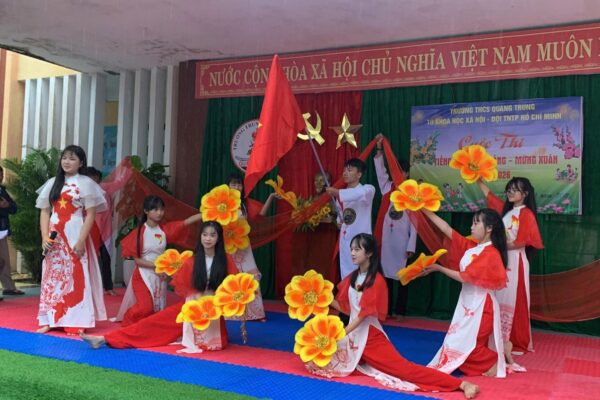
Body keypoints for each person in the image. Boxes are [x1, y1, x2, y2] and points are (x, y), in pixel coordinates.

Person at [307, 233, 479, 399]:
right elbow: (349, 310)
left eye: (357, 249)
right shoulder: (353, 278)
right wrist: (321, 298)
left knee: (405, 370)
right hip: (353, 335)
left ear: (369, 253)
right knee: (316, 360)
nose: (352, 253)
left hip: (369, 337)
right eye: (351, 249)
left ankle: (461, 384)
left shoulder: (376, 280)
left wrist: (341, 333)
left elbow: (363, 315)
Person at [81, 221, 238, 351]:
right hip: (191, 307)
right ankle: (104, 339)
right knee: (153, 323)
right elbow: (185, 287)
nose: (208, 238)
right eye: (205, 234)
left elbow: (232, 289)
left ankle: (105, 339)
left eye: (212, 235)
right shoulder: (192, 261)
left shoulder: (226, 261)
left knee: (210, 343)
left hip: (212, 311)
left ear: (218, 238)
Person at [421, 208, 507, 377]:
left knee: (468, 349)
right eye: (472, 223)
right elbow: (446, 229)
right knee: (454, 346)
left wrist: (439, 268)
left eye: (476, 223)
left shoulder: (491, 253)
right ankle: (501, 355)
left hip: (481, 306)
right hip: (467, 303)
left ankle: (496, 361)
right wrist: (423, 209)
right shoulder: (473, 247)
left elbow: (465, 277)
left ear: (489, 228)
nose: (471, 227)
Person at [35, 145, 107, 334]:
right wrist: (44, 236)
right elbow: (45, 211)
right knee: (51, 274)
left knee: (76, 274)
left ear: (81, 163)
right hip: (54, 234)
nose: (67, 162)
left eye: (72, 158)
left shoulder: (86, 183)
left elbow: (91, 214)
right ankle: (50, 319)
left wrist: (82, 239)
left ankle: (77, 320)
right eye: (65, 158)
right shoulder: (53, 183)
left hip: (75, 231)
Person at [476, 177, 543, 360]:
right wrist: (476, 178)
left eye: (515, 190)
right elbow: (489, 196)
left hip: (515, 260)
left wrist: (497, 246)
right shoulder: (506, 211)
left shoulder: (526, 214)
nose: (510, 192)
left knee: (515, 298)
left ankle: (515, 340)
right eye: (509, 189)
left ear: (525, 194)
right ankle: (498, 337)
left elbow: (521, 242)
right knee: (499, 296)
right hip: (502, 259)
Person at [113, 195, 202, 326]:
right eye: (155, 209)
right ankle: (127, 323)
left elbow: (185, 223)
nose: (159, 213)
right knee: (145, 307)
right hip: (143, 275)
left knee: (156, 308)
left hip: (160, 276)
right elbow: (138, 261)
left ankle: (144, 328)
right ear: (146, 211)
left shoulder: (163, 231)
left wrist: (207, 213)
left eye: (161, 209)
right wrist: (158, 265)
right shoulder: (139, 232)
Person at [373, 137, 416, 318]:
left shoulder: (412, 193)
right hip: (387, 240)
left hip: (402, 242)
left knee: (403, 277)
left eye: (401, 171)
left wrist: (411, 245)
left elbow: (416, 223)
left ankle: (401, 310)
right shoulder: (387, 188)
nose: (398, 174)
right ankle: (387, 310)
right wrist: (379, 150)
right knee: (386, 277)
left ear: (407, 173)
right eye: (396, 170)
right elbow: (380, 171)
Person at [325, 159, 375, 280]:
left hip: (361, 242)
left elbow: (357, 194)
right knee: (346, 274)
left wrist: (338, 192)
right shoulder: (341, 194)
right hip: (346, 240)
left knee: (361, 275)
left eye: (350, 170)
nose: (345, 173)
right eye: (344, 170)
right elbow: (340, 212)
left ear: (359, 174)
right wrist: (339, 222)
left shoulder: (368, 189)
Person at [226, 173, 266, 321]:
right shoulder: (222, 203)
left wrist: (270, 197)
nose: (236, 187)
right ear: (227, 186)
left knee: (251, 276)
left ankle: (255, 313)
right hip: (228, 245)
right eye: (233, 184)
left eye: (239, 184)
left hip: (244, 245)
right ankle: (232, 313)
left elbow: (261, 213)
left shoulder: (244, 205)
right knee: (231, 276)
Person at [85, 166, 116, 296]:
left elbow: (118, 182)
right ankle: (86, 287)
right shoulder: (83, 191)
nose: (93, 180)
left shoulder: (103, 190)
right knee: (88, 259)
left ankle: (108, 287)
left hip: (104, 230)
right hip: (89, 230)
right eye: (90, 178)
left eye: (95, 178)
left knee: (105, 258)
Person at [0, 166, 24, 300]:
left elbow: (14, 208)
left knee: (4, 260)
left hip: (2, 230)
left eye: (1, 175)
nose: (0, 177)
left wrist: (7, 206)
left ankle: (9, 287)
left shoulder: (2, 191)